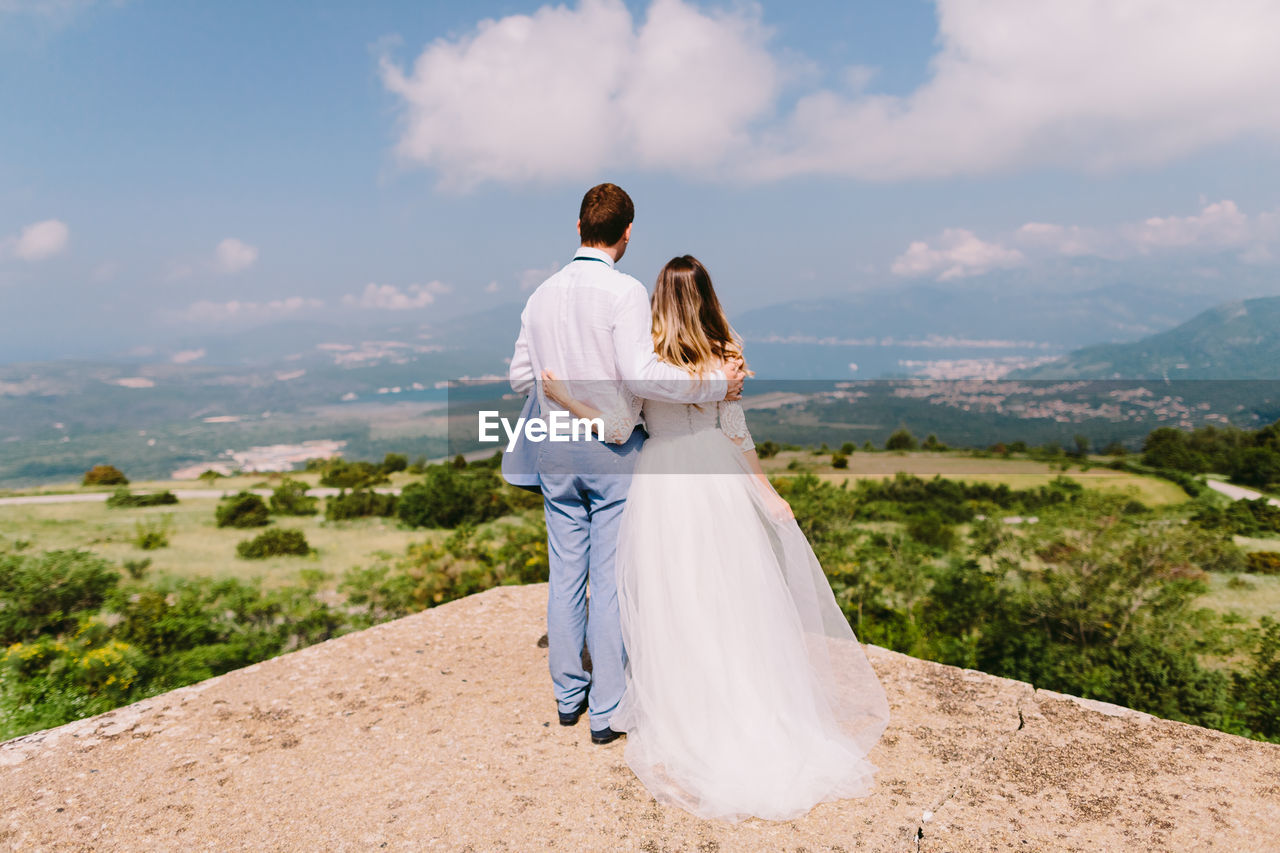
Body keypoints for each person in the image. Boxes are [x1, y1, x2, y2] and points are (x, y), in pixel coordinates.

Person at [540, 255, 890, 822]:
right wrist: (766, 490)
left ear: (658, 298)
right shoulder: (725, 350)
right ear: (706, 295)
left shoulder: (643, 356)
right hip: (715, 479)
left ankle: (688, 710)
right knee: (734, 600)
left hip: (660, 484)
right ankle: (743, 704)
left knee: (676, 603)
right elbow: (736, 432)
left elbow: (620, 427)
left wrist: (564, 399)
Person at [507, 184, 747, 746]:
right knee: (610, 578)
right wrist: (716, 383)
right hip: (609, 447)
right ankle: (607, 708)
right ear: (628, 232)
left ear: (578, 227)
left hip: (553, 443)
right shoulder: (625, 291)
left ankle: (569, 695)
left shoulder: (539, 296)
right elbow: (640, 377)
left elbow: (521, 378)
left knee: (566, 570)